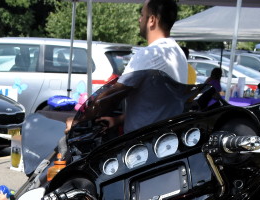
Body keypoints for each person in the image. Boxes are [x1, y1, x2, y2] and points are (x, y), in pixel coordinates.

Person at [72, 0, 187, 134]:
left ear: (152, 20)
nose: (139, 19)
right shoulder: (177, 53)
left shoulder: (149, 54)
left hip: (143, 143)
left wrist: (78, 122)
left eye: (142, 15)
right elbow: (158, 104)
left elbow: (110, 97)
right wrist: (119, 120)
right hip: (164, 138)